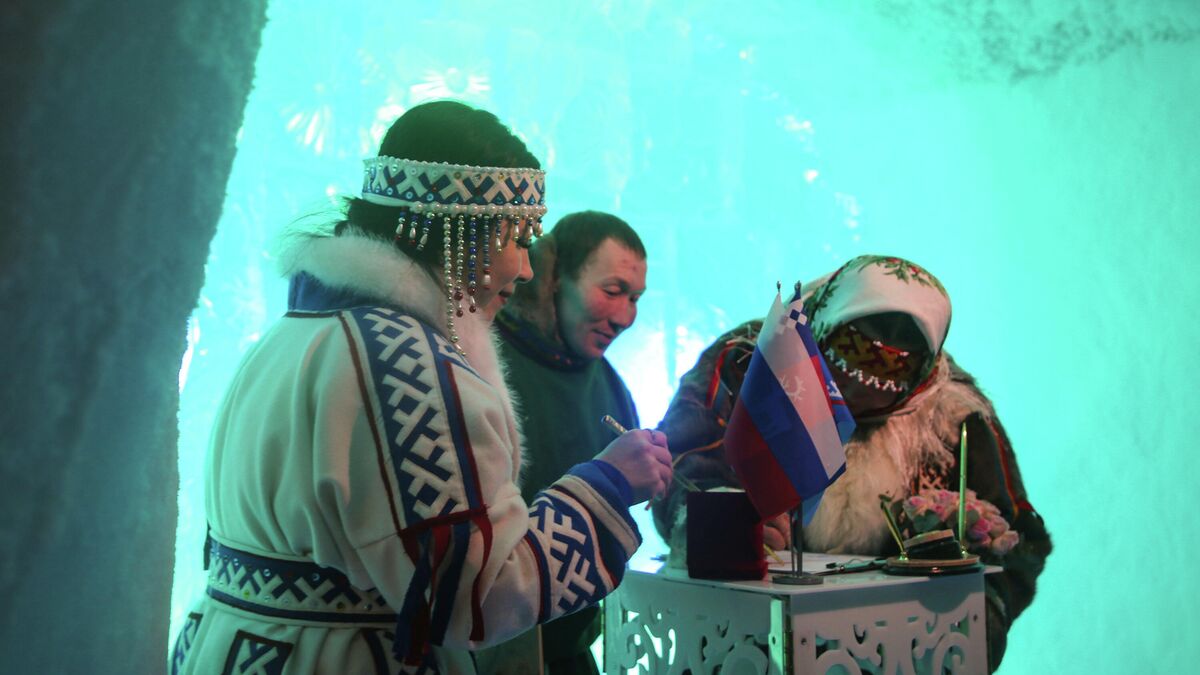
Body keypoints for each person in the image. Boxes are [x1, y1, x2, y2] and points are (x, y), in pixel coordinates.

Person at [170, 101, 672, 675]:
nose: (528, 269)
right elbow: (477, 595)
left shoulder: (292, 336)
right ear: (466, 232)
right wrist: (607, 484)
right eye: (519, 237)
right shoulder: (406, 364)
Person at [652, 254, 1051, 672]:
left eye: (891, 370)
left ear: (923, 368)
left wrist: (969, 618)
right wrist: (723, 516)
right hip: (744, 637)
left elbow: (1017, 539)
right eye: (854, 353)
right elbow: (681, 460)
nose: (860, 390)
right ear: (825, 328)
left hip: (891, 650)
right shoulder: (749, 362)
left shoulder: (954, 415)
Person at [474, 211, 648, 675]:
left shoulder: (610, 385)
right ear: (553, 280)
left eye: (635, 299)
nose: (625, 317)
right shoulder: (484, 365)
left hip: (572, 653)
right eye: (611, 292)